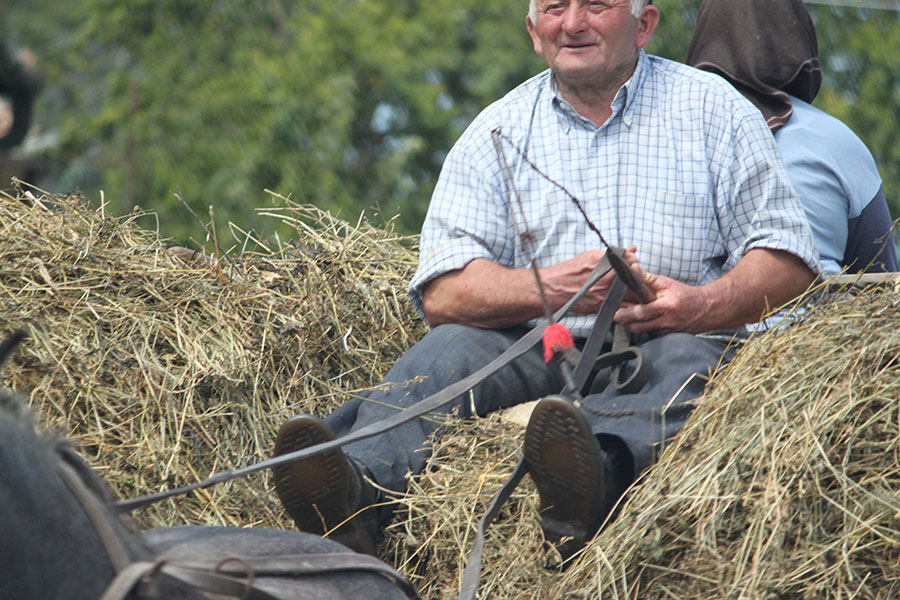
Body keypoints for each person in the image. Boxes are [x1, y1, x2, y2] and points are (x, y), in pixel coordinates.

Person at [271, 0, 821, 561]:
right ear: (535, 33)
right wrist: (553, 288)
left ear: (645, 25)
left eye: (597, 5)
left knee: (689, 364)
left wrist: (699, 305)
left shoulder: (715, 112)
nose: (573, 23)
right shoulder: (496, 131)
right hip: (543, 345)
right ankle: (355, 494)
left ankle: (590, 481)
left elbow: (790, 262)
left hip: (671, 341)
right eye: (555, 8)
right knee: (448, 349)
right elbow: (443, 292)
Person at [686, 0, 897, 276]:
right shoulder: (837, 142)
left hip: (693, 313)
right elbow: (880, 274)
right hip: (818, 315)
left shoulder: (676, 134)